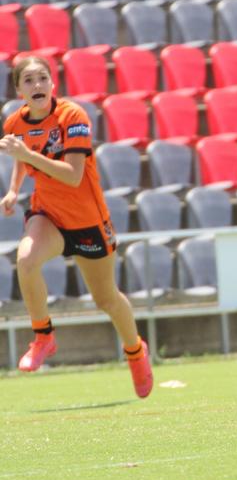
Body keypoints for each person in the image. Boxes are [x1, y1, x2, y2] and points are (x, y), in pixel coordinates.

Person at [0, 56, 153, 397]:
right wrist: (13, 190)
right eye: (28, 80)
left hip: (87, 221)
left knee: (106, 299)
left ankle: (135, 352)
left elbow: (73, 176)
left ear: (53, 84)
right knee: (26, 260)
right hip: (48, 216)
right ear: (18, 90)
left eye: (42, 78)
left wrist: (26, 154)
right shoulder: (15, 123)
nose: (37, 85)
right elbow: (21, 160)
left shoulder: (72, 116)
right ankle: (43, 336)